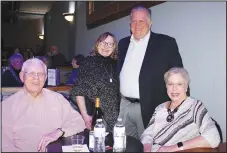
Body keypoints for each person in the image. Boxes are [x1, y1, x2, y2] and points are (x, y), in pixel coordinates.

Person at [118, 5, 184, 140]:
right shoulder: (123, 43)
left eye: (141, 21)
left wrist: (181, 106)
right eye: (134, 21)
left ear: (150, 22)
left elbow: (179, 75)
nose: (137, 25)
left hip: (150, 107)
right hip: (124, 105)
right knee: (124, 145)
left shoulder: (166, 43)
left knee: (149, 146)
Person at [2, 58, 86, 152]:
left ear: (45, 78)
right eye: (31, 73)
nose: (36, 78)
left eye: (41, 74)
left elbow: (79, 122)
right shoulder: (7, 106)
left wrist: (60, 132)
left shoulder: (57, 99)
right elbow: (4, 146)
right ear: (22, 76)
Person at [141, 67, 220, 152]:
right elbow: (147, 134)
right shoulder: (160, 108)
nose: (174, 88)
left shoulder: (194, 106)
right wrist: (147, 149)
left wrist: (173, 148)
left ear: (186, 87)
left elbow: (213, 137)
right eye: (170, 84)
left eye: (179, 84)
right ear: (166, 86)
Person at [70, 32, 120, 132]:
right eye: (103, 42)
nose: (106, 46)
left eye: (110, 44)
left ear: (114, 47)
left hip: (116, 115)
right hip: (96, 114)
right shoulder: (88, 62)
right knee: (98, 144)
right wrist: (85, 115)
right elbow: (78, 91)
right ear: (97, 44)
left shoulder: (116, 64)